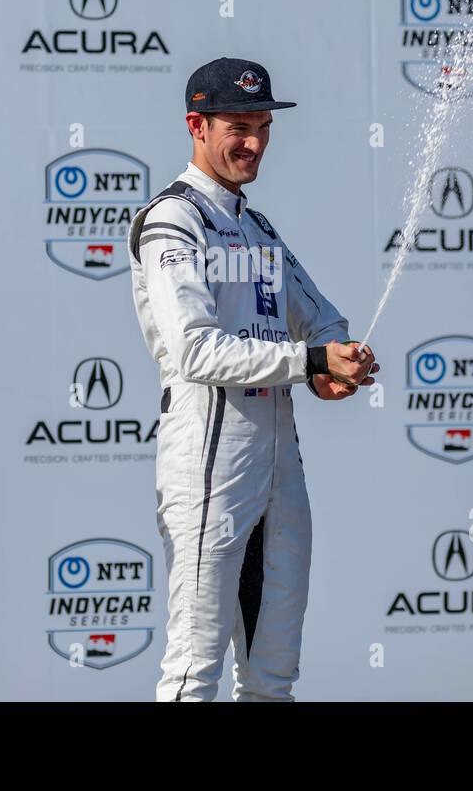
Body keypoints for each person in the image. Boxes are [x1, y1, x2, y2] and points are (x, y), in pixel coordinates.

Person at [129, 57, 377, 701]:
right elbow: (195, 351)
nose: (255, 143)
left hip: (278, 464)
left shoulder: (255, 225)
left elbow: (322, 319)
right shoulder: (173, 219)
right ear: (196, 125)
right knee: (193, 670)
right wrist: (310, 363)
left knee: (272, 674)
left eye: (263, 126)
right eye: (238, 126)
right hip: (210, 458)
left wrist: (335, 362)